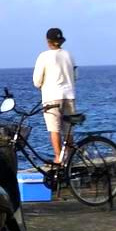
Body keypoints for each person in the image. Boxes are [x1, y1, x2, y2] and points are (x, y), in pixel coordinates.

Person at [33, 27, 77, 164]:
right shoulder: (68, 55)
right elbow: (76, 75)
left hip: (52, 96)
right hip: (69, 95)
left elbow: (37, 81)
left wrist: (42, 85)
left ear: (48, 41)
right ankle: (70, 158)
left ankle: (58, 158)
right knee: (68, 129)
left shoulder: (44, 56)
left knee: (54, 129)